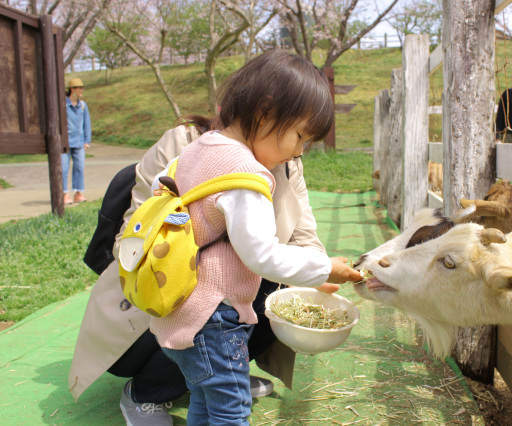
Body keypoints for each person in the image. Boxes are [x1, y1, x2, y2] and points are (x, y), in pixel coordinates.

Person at [68, 51, 359, 426]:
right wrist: (322, 269)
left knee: (207, 403)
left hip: (194, 304)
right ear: (265, 111)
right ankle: (157, 391)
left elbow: (301, 232)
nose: (301, 151)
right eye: (301, 136)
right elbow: (260, 254)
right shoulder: (244, 171)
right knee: (231, 409)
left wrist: (311, 271)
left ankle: (213, 379)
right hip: (203, 308)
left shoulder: (203, 150)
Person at [63, 77, 92, 204]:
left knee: (79, 167)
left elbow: (87, 123)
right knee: (63, 168)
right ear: (72, 89)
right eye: (79, 88)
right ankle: (64, 193)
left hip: (79, 142)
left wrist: (87, 140)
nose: (82, 90)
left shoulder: (82, 105)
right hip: (65, 143)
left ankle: (78, 193)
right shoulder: (63, 105)